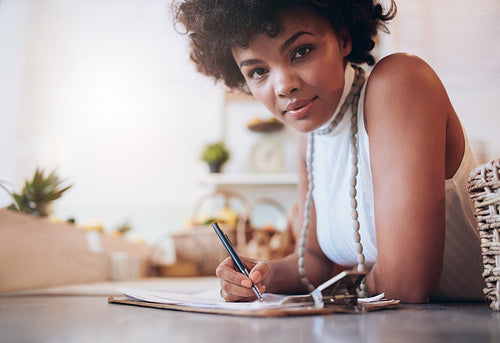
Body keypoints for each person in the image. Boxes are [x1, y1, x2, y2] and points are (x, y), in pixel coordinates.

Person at [173, 0, 485, 303]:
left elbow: (407, 283)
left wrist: (340, 287)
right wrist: (262, 275)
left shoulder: (400, 83)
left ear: (344, 38)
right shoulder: (311, 138)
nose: (283, 86)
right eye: (257, 71)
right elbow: (317, 261)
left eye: (301, 51)